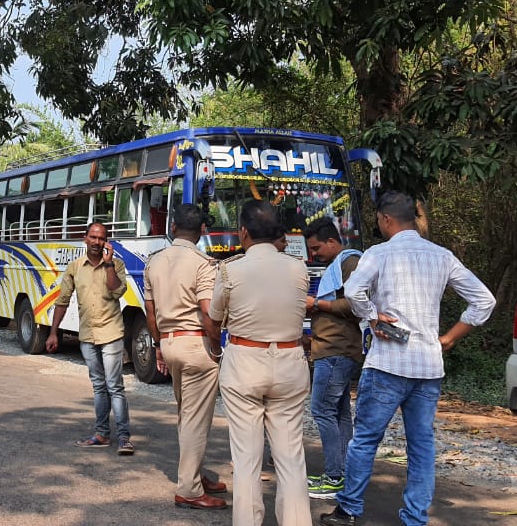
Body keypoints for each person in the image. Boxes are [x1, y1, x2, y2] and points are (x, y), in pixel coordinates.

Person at [320, 192, 495, 526]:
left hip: (387, 364)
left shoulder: (379, 254)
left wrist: (372, 316)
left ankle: (348, 511)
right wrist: (449, 339)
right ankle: (415, 518)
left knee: (366, 440)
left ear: (386, 219)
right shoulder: (442, 256)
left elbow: (353, 290)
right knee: (421, 446)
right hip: (428, 367)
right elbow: (484, 301)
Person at [210, 202, 311, 526]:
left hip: (244, 366)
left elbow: (214, 318)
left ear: (243, 232)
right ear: (278, 232)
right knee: (291, 459)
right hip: (290, 364)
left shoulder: (230, 270)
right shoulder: (299, 269)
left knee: (247, 459)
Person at [143, 204, 227, 510]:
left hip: (169, 344)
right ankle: (189, 490)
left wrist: (159, 345)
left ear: (173, 227)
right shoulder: (205, 264)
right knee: (195, 419)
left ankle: (196, 474)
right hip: (196, 347)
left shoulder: (154, 262)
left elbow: (150, 313)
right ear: (202, 231)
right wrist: (216, 348)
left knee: (186, 414)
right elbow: (208, 312)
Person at [47, 222, 134, 455]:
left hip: (112, 332)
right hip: (87, 334)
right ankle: (101, 434)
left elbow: (118, 291)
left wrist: (108, 266)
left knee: (114, 385)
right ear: (84, 238)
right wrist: (54, 332)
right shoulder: (75, 267)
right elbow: (62, 300)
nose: (97, 242)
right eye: (93, 237)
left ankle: (124, 437)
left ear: (107, 241)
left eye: (101, 238)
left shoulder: (116, 265)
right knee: (98, 386)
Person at [302, 217, 365, 500]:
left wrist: (316, 303)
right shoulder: (335, 267)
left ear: (332, 241)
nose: (314, 255)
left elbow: (357, 304)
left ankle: (334, 476)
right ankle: (344, 473)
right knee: (339, 413)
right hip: (334, 349)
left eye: (316, 248)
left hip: (336, 350)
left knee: (322, 411)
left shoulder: (349, 263)